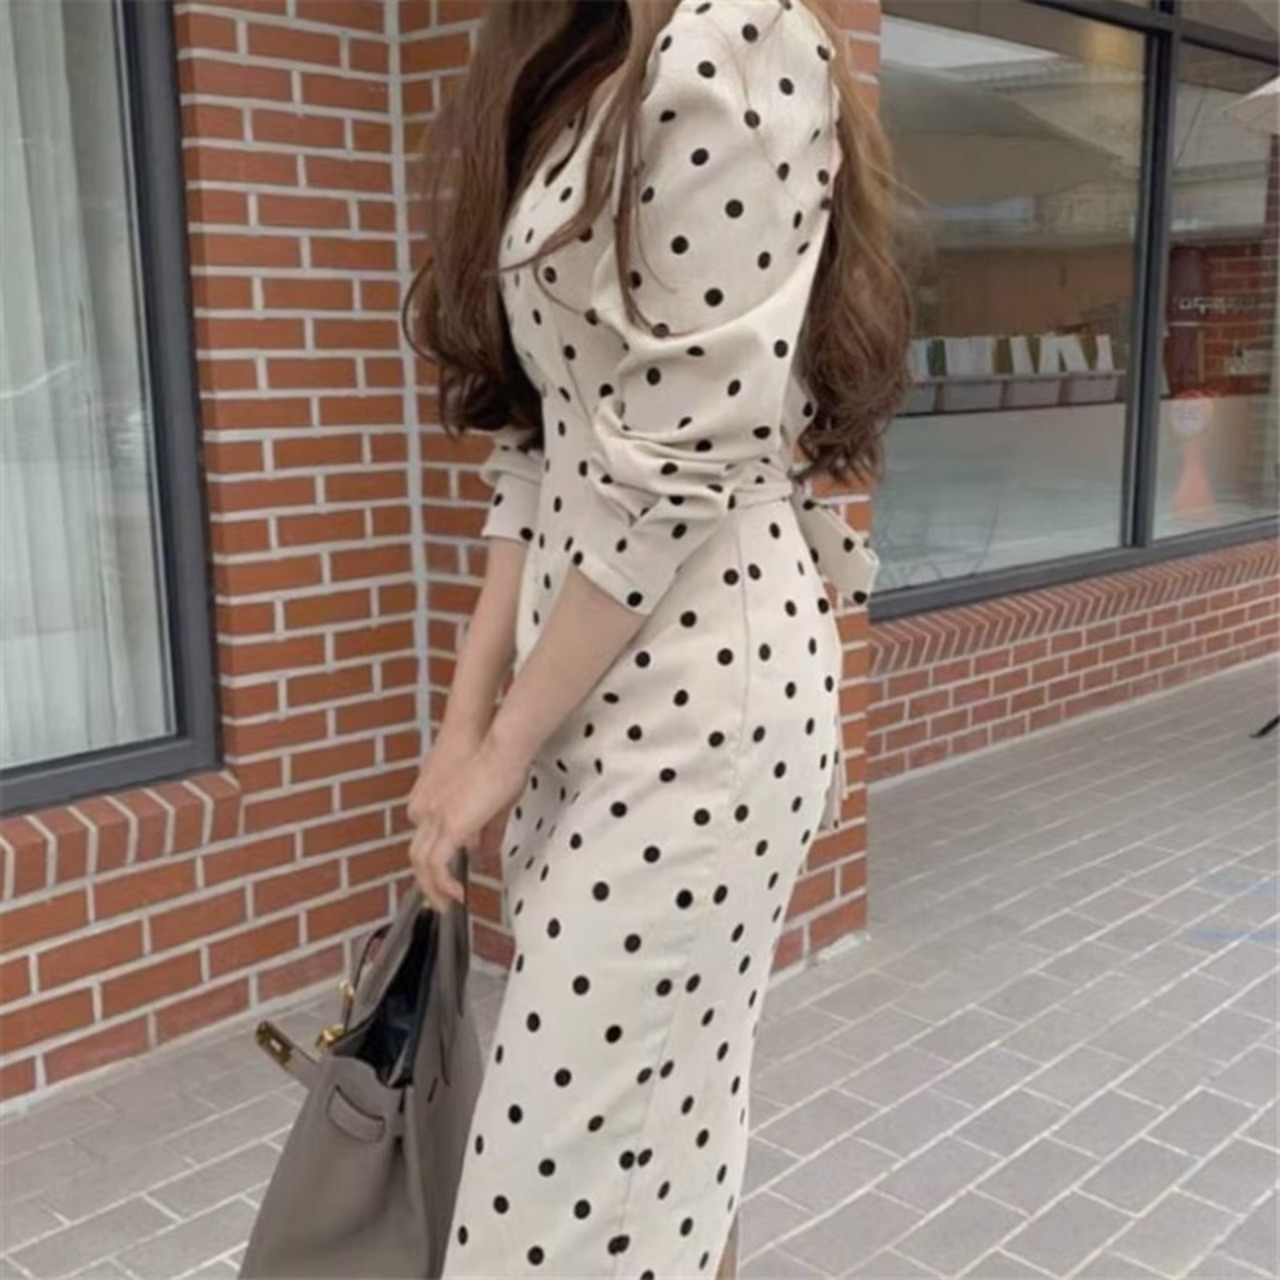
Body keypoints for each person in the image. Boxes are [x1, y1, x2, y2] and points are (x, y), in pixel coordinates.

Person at [401, 0, 911, 1274]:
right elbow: (535, 452)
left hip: (699, 705)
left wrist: (500, 742)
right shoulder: (579, 66)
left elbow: (680, 462)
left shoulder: (739, 39)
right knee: (655, 1156)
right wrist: (466, 727)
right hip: (578, 694)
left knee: (553, 1203)